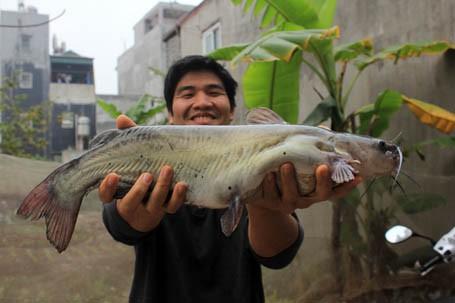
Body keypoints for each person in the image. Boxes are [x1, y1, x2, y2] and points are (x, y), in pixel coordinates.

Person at [98, 55, 361, 303]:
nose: (202, 102)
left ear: (232, 110)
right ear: (170, 113)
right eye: (187, 94)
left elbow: (277, 255)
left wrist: (263, 205)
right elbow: (120, 225)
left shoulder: (266, 159)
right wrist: (138, 211)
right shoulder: (147, 161)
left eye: (214, 92)